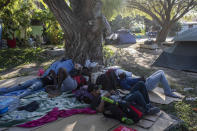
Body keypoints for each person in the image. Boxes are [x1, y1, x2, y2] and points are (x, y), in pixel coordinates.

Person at [88, 82, 160, 124]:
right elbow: (99, 110)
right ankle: (147, 109)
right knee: (137, 94)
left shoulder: (101, 92)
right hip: (121, 103)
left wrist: (112, 92)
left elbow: (112, 93)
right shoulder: (94, 100)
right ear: (92, 92)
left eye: (98, 88)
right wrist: (103, 99)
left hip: (121, 97)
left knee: (140, 84)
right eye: (96, 89)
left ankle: (147, 104)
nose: (99, 89)